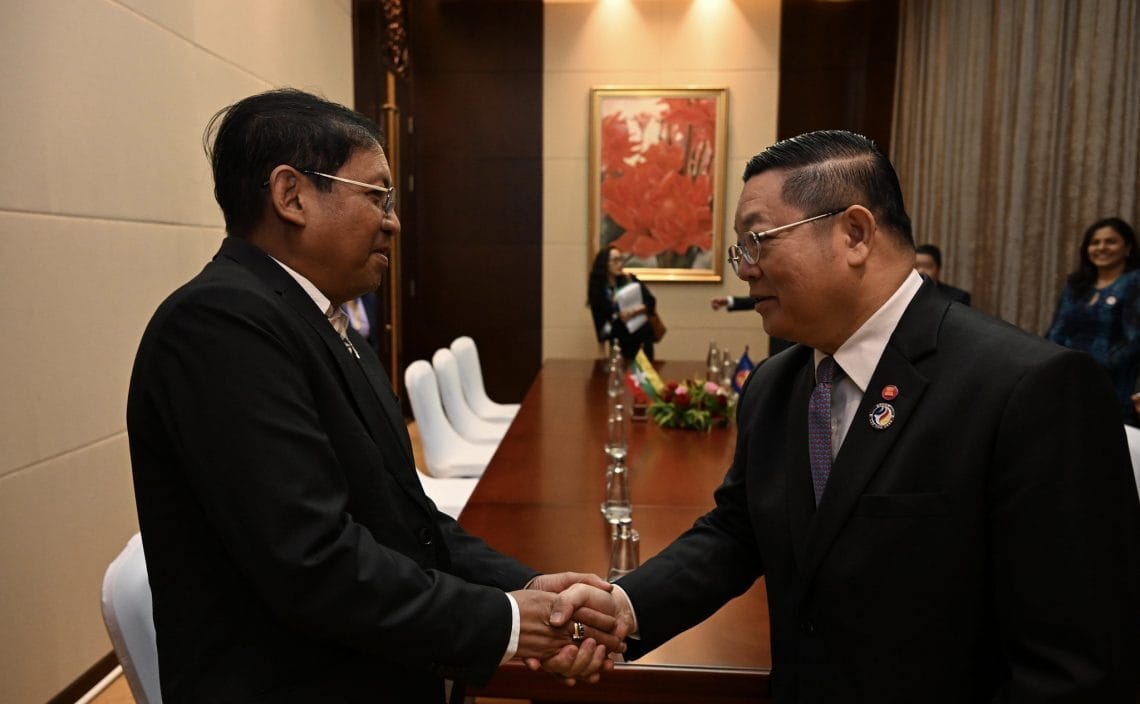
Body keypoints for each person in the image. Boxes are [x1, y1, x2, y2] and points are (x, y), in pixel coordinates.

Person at [574, 130, 1140, 701]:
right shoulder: (777, 384)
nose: (745, 269)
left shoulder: (1030, 388)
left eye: (757, 241)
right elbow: (740, 529)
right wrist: (621, 607)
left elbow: (1077, 669)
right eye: (738, 250)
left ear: (855, 233)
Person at [126, 89, 624, 703]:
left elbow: (404, 514)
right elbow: (315, 562)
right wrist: (513, 623)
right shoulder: (218, 325)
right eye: (376, 195)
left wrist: (529, 589)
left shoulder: (322, 322)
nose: (393, 219)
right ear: (292, 196)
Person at [1046, 217, 1140, 424]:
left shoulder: (1134, 282)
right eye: (1095, 242)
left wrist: (1092, 369)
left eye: (1110, 241)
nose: (1101, 247)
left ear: (1128, 247)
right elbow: (1056, 330)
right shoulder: (1077, 284)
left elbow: (1135, 340)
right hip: (1065, 380)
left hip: (1110, 386)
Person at [587, 245, 657, 360]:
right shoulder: (599, 291)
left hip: (642, 339)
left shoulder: (630, 280)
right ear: (605, 263)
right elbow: (600, 322)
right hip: (619, 342)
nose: (620, 263)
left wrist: (634, 311)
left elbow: (651, 302)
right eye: (615, 260)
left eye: (621, 259)